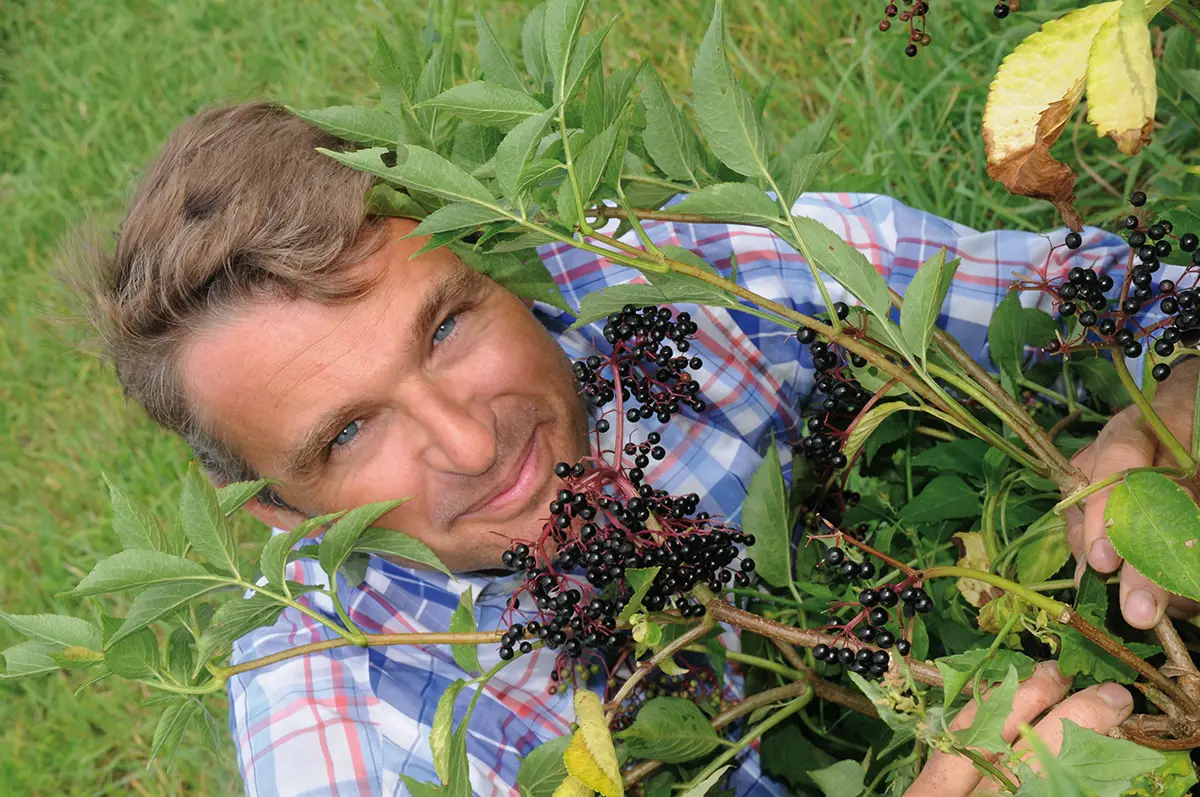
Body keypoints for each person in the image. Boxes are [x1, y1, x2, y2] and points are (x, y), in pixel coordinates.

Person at [66, 100, 1196, 796]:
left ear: (495, 256)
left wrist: (1175, 402)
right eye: (350, 433)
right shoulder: (349, 711)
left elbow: (1125, 295)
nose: (472, 438)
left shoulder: (685, 281)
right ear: (285, 517)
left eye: (446, 325)